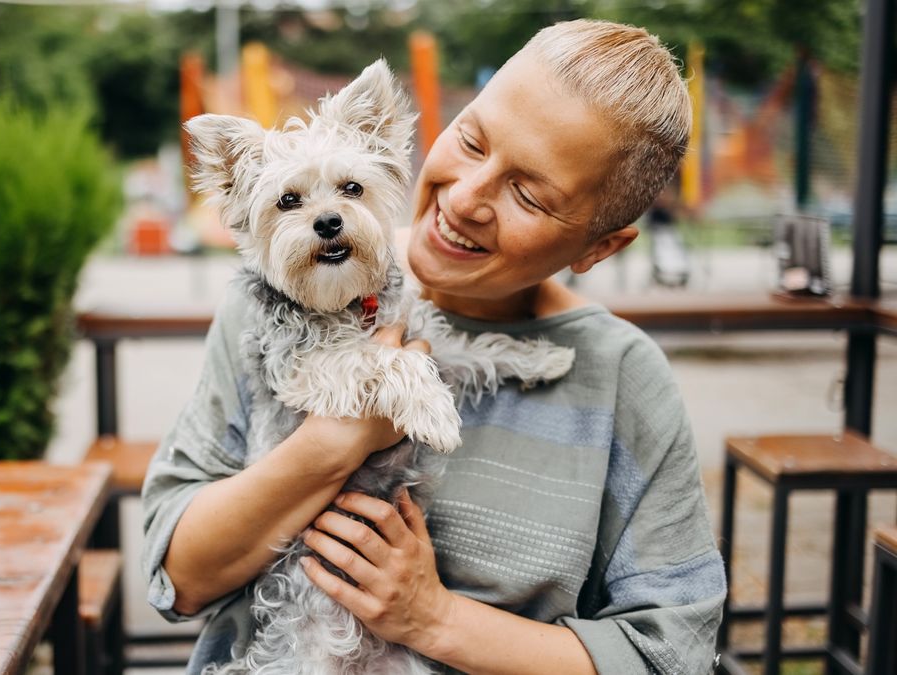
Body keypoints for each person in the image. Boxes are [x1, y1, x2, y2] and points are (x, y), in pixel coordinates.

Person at [142, 19, 725, 675]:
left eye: (528, 193)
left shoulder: (623, 377)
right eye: (472, 140)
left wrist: (434, 618)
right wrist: (333, 444)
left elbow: (672, 656)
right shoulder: (277, 298)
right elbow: (176, 575)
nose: (467, 197)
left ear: (599, 247)